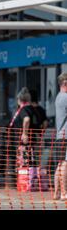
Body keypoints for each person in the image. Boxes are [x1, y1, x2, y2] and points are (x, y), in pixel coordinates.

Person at [54, 73, 67, 201]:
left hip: (60, 134)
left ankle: (57, 193)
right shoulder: (65, 97)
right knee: (64, 164)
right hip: (65, 134)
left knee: (59, 164)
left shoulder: (58, 97)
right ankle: (64, 193)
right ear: (64, 83)